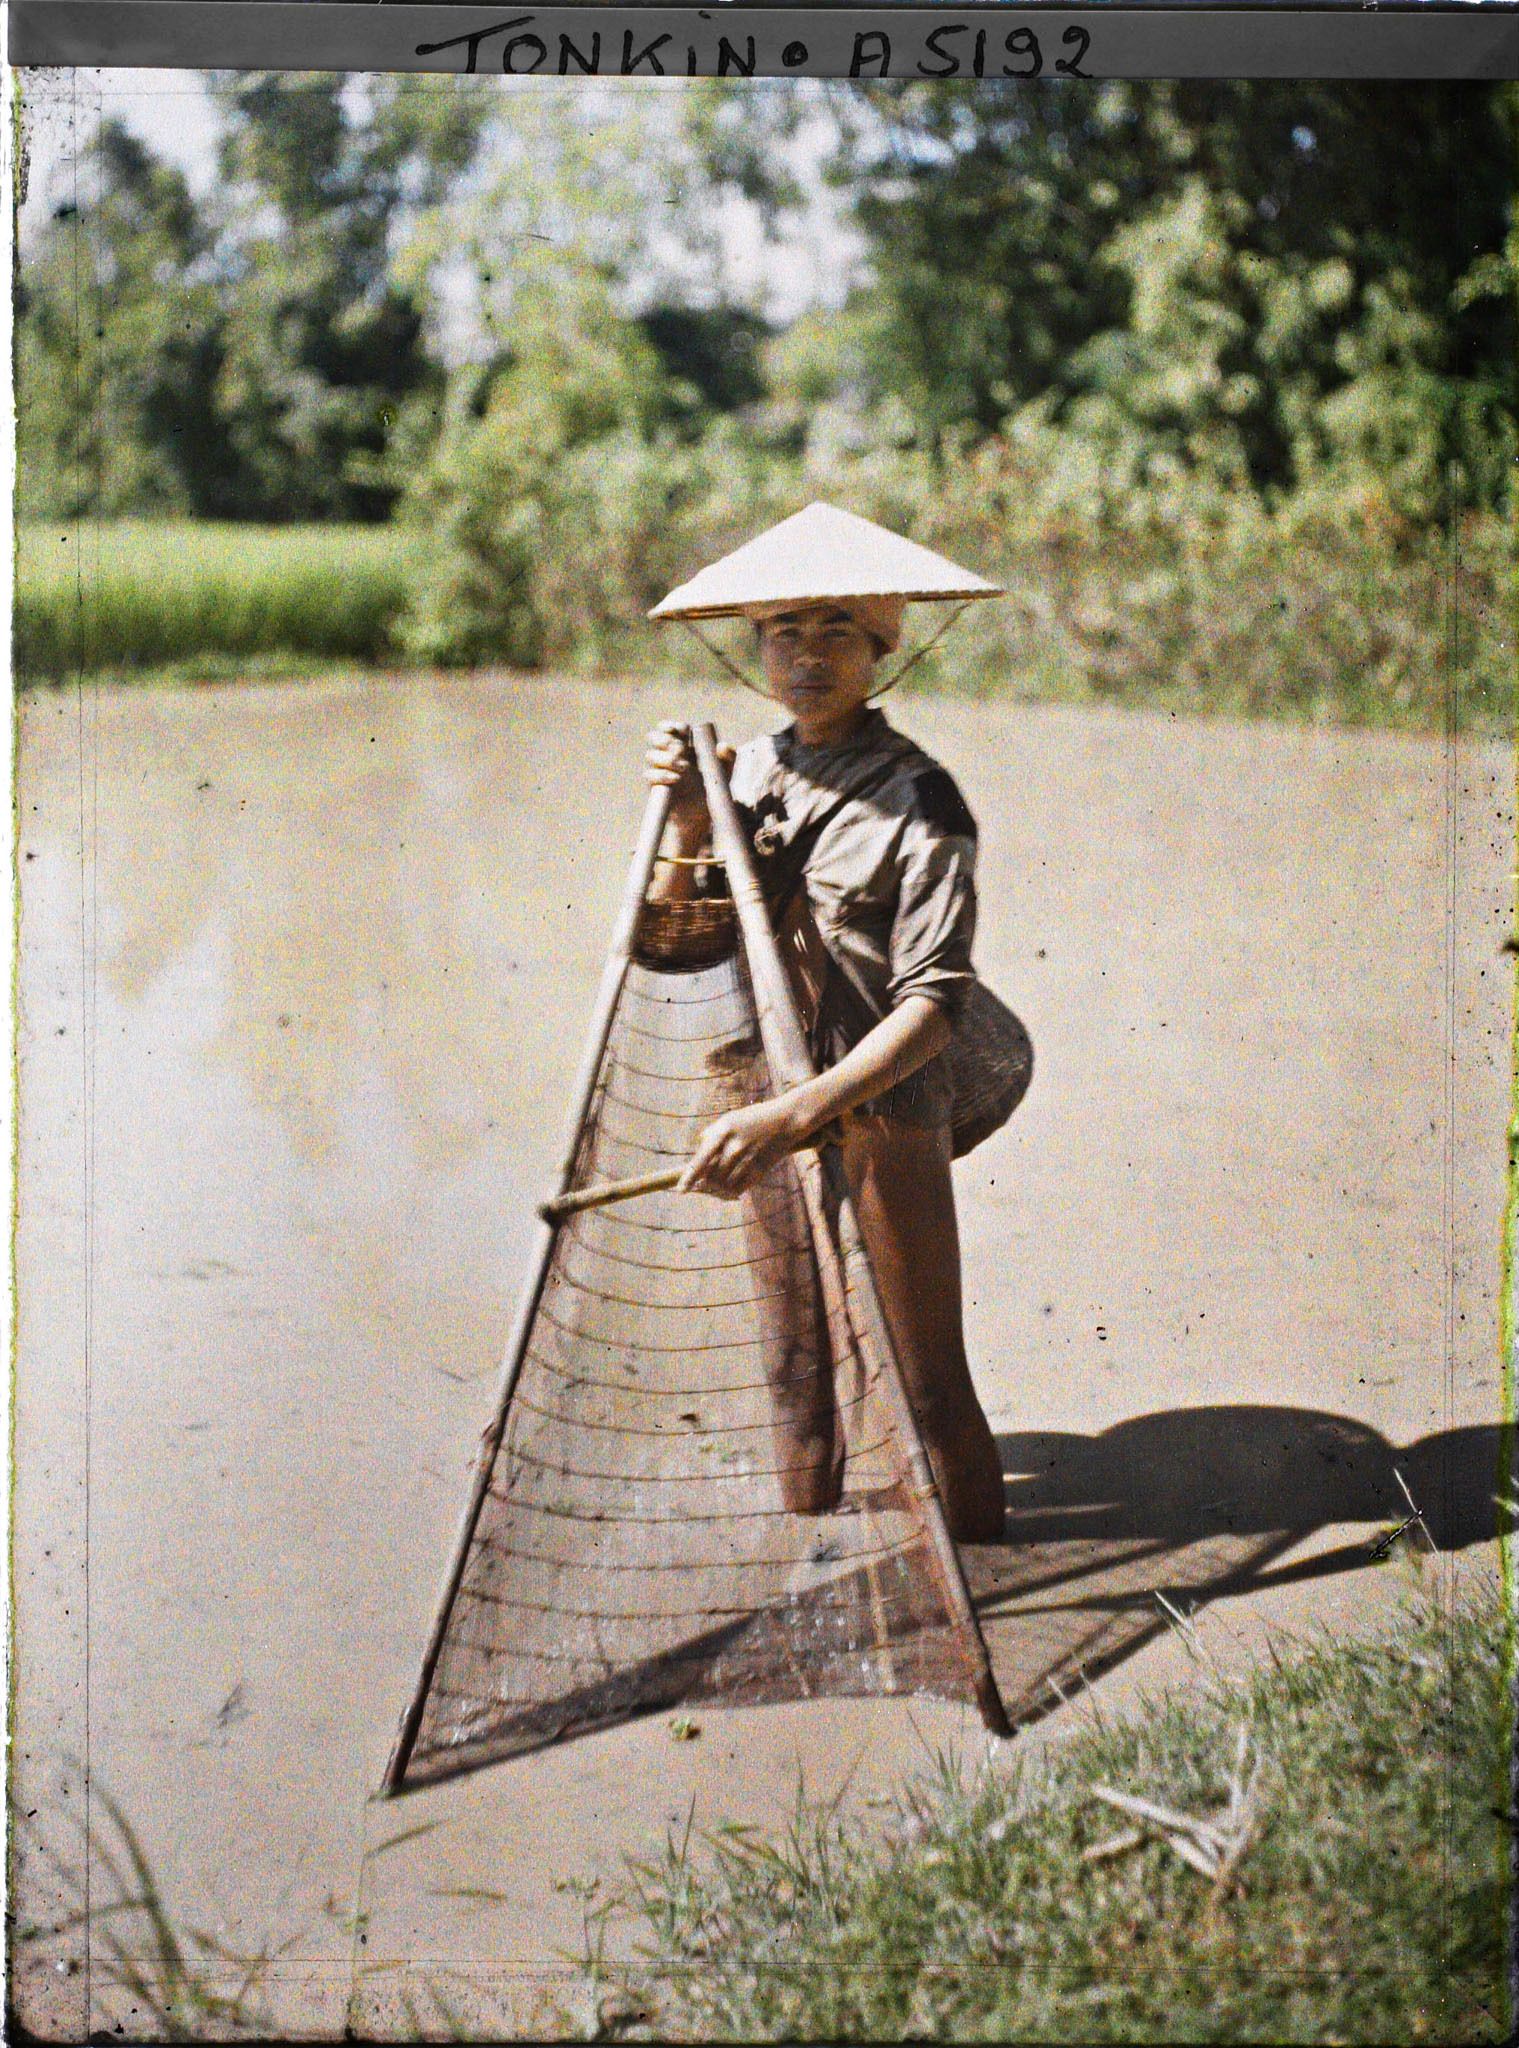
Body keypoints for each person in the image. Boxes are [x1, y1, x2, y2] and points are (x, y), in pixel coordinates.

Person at [641, 513, 1007, 1543]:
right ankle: (806, 1560)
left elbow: (935, 1002)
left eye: (838, 630)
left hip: (881, 1100)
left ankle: (984, 1586)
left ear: (884, 647)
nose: (808, 655)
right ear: (755, 646)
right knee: (795, 1366)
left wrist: (802, 1111)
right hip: (760, 1081)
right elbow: (674, 947)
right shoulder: (740, 774)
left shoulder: (921, 800)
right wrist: (686, 828)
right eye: (785, 630)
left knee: (924, 1381)